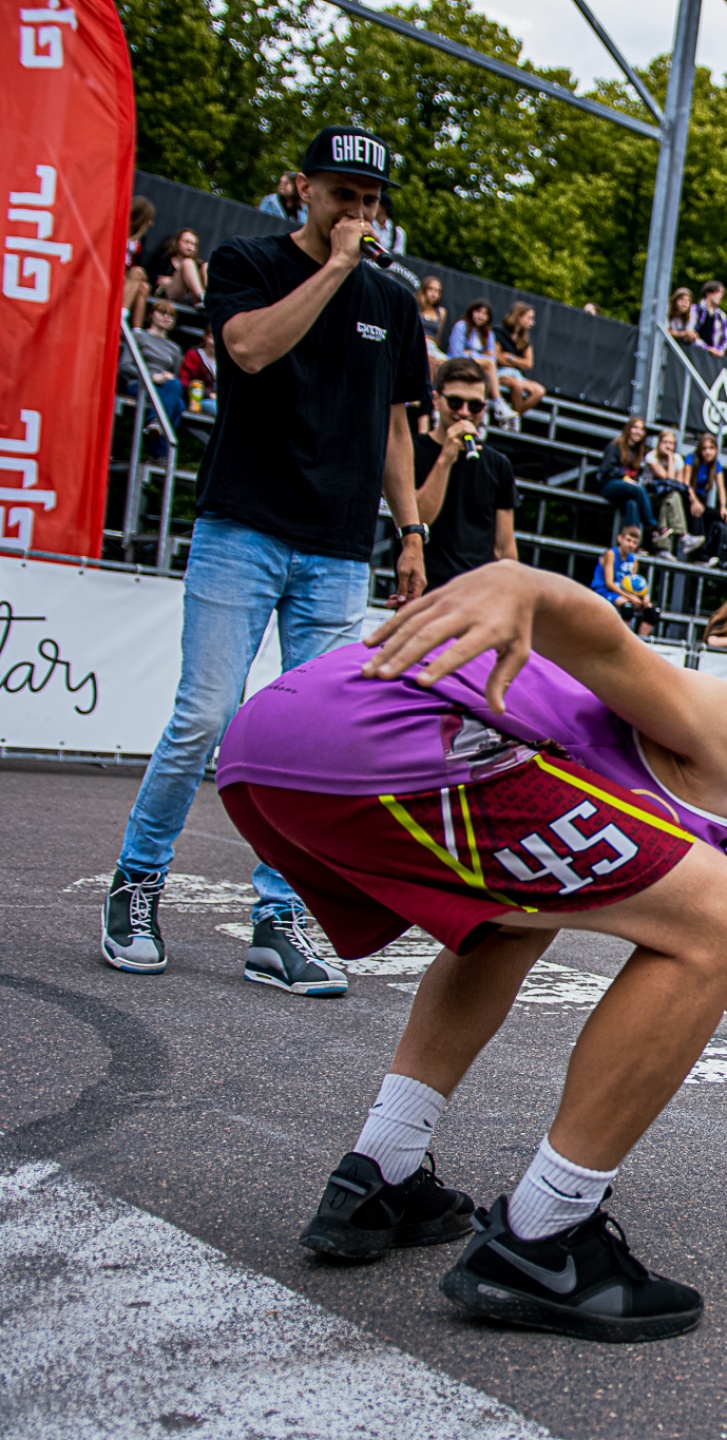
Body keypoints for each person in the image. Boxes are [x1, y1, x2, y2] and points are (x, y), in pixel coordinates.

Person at [219, 561, 727, 1341]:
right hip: (379, 731)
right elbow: (603, 646)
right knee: (723, 914)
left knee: (520, 918)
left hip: (268, 749)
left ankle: (377, 1176)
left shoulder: (694, 861)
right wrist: (523, 584)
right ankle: (544, 1237)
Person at [100, 125, 430, 995]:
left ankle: (278, 920)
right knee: (205, 717)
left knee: (312, 745)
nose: (357, 212)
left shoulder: (393, 304)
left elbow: (397, 428)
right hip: (243, 527)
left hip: (338, 548)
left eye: (370, 201)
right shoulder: (246, 261)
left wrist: (410, 532)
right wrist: (335, 269)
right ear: (303, 190)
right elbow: (247, 350)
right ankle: (137, 881)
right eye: (341, 194)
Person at [412, 357, 518, 590]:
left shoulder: (498, 465)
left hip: (476, 595)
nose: (464, 412)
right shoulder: (412, 451)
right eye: (455, 402)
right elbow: (417, 521)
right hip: (425, 592)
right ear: (436, 400)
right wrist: (446, 458)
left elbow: (504, 549)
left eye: (475, 406)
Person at [122, 298, 187, 431]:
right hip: (140, 384)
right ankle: (156, 424)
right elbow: (124, 366)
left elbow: (175, 375)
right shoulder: (138, 336)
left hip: (164, 387)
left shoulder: (175, 349)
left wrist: (167, 376)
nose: (166, 317)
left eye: (171, 315)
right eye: (162, 313)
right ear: (151, 314)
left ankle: (155, 428)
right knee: (178, 404)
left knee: (177, 395)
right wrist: (151, 377)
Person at [446, 300, 511, 423]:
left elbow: (492, 358)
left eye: (485, 314)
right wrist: (480, 356)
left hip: (478, 368)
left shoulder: (489, 334)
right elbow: (456, 354)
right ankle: (498, 403)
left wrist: (471, 353)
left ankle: (484, 411)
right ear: (472, 312)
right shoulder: (461, 326)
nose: (481, 316)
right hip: (457, 365)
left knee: (487, 371)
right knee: (488, 366)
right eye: (478, 312)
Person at [596, 416, 660, 537]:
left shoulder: (639, 452)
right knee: (638, 490)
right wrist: (624, 478)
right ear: (629, 429)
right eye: (635, 427)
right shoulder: (615, 445)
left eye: (641, 429)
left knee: (632, 503)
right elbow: (606, 470)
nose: (638, 432)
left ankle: (632, 539)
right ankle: (652, 525)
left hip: (627, 489)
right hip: (609, 484)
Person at [591, 524, 659, 635]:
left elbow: (633, 584)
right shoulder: (611, 554)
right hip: (604, 591)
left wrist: (644, 597)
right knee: (628, 608)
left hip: (623, 593)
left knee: (653, 612)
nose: (631, 545)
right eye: (628, 540)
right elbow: (609, 583)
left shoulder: (633, 560)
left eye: (635, 542)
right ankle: (624, 640)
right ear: (620, 539)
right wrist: (631, 598)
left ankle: (639, 641)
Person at [683, 431, 727, 566]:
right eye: (704, 448)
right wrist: (694, 500)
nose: (708, 452)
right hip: (688, 496)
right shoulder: (691, 458)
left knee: (720, 517)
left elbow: (721, 487)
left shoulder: (716, 465)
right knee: (697, 512)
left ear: (716, 450)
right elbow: (685, 483)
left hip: (701, 499)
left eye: (711, 448)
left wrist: (723, 507)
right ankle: (699, 554)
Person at [641, 427, 689, 554]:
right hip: (648, 497)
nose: (668, 446)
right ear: (659, 443)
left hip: (665, 497)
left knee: (671, 498)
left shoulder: (678, 459)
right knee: (671, 496)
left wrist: (672, 459)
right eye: (665, 442)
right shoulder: (651, 457)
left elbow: (677, 484)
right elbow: (669, 480)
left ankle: (663, 549)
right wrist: (670, 459)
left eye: (671, 443)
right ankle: (683, 537)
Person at [495, 302, 545, 416]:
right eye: (529, 318)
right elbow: (497, 357)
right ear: (518, 316)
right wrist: (519, 363)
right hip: (500, 373)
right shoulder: (498, 332)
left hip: (516, 374)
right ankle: (514, 418)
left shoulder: (525, 340)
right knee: (517, 386)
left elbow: (529, 363)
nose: (532, 323)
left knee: (539, 391)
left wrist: (511, 358)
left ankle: (514, 416)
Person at [149, 228, 207, 307]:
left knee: (206, 266)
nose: (190, 247)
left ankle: (207, 298)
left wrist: (170, 280)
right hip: (170, 294)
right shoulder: (165, 260)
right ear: (177, 242)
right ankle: (203, 297)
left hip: (191, 298)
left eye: (193, 244)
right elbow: (159, 281)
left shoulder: (198, 266)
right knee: (187, 263)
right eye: (186, 242)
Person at [122, 196, 156, 328]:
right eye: (148, 219)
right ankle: (121, 315)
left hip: (128, 273)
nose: (150, 224)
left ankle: (137, 330)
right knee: (137, 273)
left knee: (144, 287)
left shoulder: (140, 237)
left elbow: (138, 262)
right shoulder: (120, 228)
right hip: (114, 271)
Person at [178, 326, 219, 416]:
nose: (215, 343)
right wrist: (209, 394)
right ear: (205, 337)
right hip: (197, 401)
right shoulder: (193, 355)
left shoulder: (225, 363)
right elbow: (184, 382)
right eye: (212, 338)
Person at [416, 276, 448, 368]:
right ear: (424, 290)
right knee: (430, 362)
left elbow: (437, 337)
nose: (434, 294)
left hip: (432, 347)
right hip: (417, 344)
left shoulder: (441, 312)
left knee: (446, 365)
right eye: (431, 289)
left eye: (437, 291)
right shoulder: (415, 307)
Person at [690, 280, 727, 355]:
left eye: (722, 293)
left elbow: (725, 339)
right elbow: (690, 332)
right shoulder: (695, 309)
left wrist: (719, 351)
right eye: (719, 292)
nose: (721, 296)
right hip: (693, 353)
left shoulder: (722, 316)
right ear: (708, 294)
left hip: (712, 358)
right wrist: (707, 348)